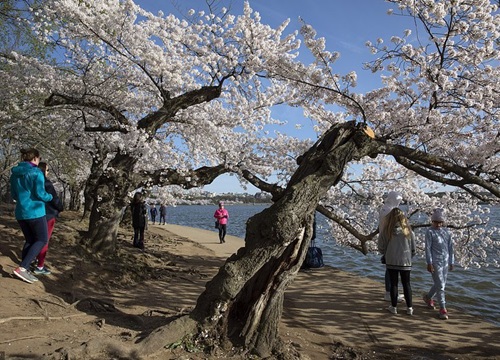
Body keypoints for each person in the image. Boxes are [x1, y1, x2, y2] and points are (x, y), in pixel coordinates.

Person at [10, 148, 53, 284]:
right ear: (35, 158)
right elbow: (40, 193)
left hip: (21, 212)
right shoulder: (36, 173)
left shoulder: (15, 174)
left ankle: (25, 269)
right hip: (35, 212)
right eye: (39, 158)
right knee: (42, 239)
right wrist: (50, 196)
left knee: (30, 240)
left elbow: (14, 195)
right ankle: (22, 268)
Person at [378, 207, 416, 315]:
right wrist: (410, 256)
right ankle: (410, 308)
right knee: (407, 284)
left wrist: (385, 252)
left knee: (393, 284)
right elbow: (413, 248)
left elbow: (381, 246)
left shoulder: (387, 231)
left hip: (391, 261)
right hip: (405, 261)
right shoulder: (408, 231)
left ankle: (394, 307)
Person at [423, 208, 454, 320]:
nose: (438, 224)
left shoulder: (447, 232)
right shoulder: (429, 232)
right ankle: (443, 308)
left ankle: (428, 297)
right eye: (436, 222)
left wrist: (451, 261)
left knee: (441, 284)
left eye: (440, 222)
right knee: (440, 285)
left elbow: (450, 247)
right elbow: (428, 248)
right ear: (432, 221)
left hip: (445, 261)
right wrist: (429, 262)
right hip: (435, 261)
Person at [34, 162, 64, 275]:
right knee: (44, 240)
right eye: (47, 170)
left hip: (35, 214)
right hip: (48, 214)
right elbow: (54, 199)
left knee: (36, 239)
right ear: (43, 170)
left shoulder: (33, 182)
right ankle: (40, 266)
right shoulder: (46, 183)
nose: (48, 172)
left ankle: (34, 260)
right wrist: (60, 208)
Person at [379, 191, 404, 302]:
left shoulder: (385, 208)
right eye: (398, 200)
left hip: (387, 240)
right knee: (391, 269)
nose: (399, 202)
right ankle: (390, 292)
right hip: (391, 240)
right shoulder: (389, 210)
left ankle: (390, 292)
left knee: (390, 268)